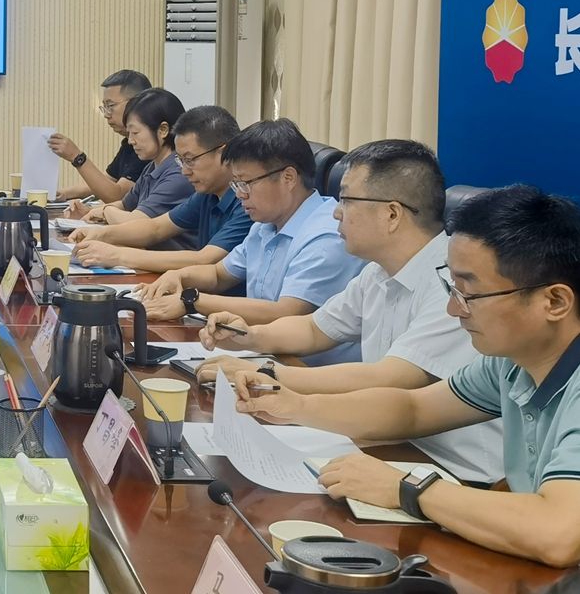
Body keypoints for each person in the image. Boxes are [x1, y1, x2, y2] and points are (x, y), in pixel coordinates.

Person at [232, 187, 580, 567]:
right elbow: (414, 408)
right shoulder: (511, 364)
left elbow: (557, 533)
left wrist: (405, 488)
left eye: (469, 295)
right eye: (452, 289)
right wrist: (296, 406)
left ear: (555, 302)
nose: (453, 310)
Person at [197, 140, 503, 483]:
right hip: (387, 443)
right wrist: (249, 336)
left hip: (455, 472)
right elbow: (315, 329)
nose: (336, 213)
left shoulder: (454, 283)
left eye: (346, 200)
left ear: (391, 214)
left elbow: (392, 378)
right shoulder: (377, 271)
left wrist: (268, 372)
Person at [133, 119, 362, 363]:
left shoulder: (326, 236)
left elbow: (286, 312)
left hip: (309, 371)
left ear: (288, 177)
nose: (240, 194)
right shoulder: (266, 224)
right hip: (265, 353)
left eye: (246, 183)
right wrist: (179, 276)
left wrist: (192, 301)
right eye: (235, 184)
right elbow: (219, 275)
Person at [69, 105, 252, 274]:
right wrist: (101, 234)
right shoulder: (207, 194)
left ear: (223, 153)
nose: (184, 171)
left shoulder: (247, 201)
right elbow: (155, 228)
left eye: (190, 160)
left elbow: (205, 260)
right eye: (181, 160)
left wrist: (117, 255)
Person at [78, 88, 192, 228]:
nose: (130, 141)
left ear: (163, 130)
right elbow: (125, 205)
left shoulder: (179, 173)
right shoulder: (152, 167)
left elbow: (136, 222)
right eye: (129, 133)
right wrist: (90, 212)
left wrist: (106, 211)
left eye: (135, 132)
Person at [51, 69, 152, 205]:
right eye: (104, 107)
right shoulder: (129, 143)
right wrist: (63, 193)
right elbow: (108, 180)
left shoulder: (147, 146)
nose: (106, 114)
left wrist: (77, 157)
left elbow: (117, 196)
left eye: (110, 106)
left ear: (137, 104)